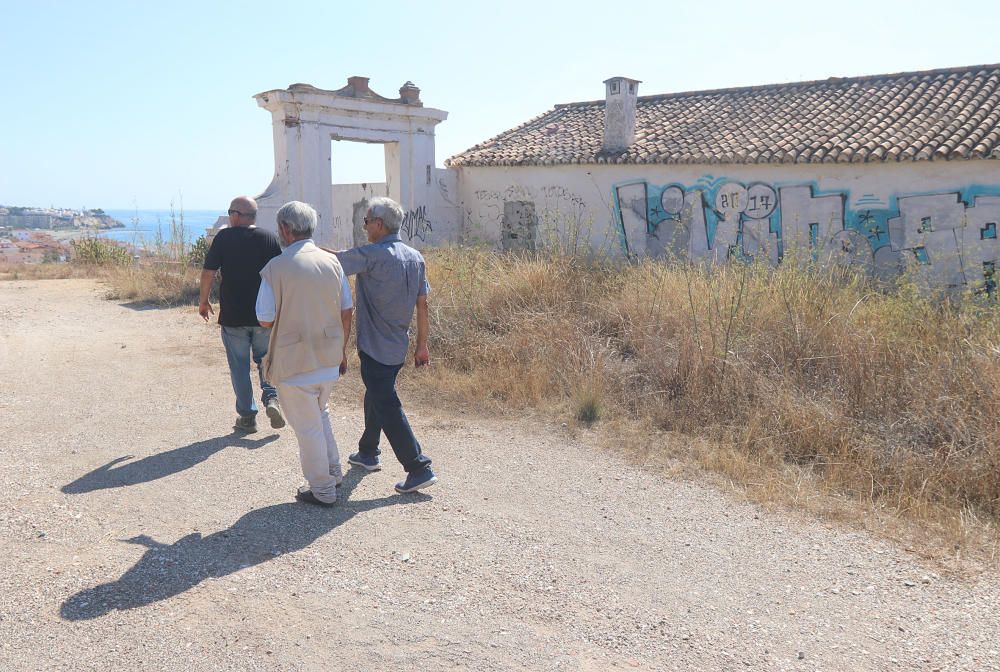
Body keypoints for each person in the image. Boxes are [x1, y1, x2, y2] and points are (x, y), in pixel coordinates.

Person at [333, 196, 437, 494]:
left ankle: (418, 466)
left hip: (374, 345)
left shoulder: (372, 255)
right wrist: (422, 345)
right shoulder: (416, 257)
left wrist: (302, 248)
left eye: (366, 222)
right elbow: (423, 304)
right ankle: (368, 451)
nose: (364, 227)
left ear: (379, 225)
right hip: (398, 346)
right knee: (378, 394)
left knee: (387, 403)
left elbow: (334, 260)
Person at [257, 201, 354, 506]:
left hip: (294, 361)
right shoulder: (333, 262)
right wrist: (341, 350)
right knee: (320, 416)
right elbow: (346, 309)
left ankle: (322, 489)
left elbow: (265, 318)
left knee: (308, 427)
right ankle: (334, 473)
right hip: (328, 356)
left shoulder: (276, 268)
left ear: (285, 229)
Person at [199, 196, 284, 433]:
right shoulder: (268, 237)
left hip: (233, 315)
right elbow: (279, 274)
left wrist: (203, 301)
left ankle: (247, 417)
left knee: (239, 367)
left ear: (236, 215)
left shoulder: (224, 237)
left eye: (229, 212)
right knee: (265, 361)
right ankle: (271, 398)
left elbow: (208, 272)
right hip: (264, 315)